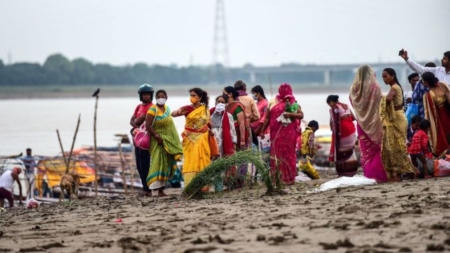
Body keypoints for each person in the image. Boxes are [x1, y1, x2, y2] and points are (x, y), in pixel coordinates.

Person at [349, 65, 388, 183]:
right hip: (375, 123)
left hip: (361, 123)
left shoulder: (354, 89)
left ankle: (369, 173)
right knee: (378, 148)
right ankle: (380, 174)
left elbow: (352, 102)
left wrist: (363, 112)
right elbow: (381, 102)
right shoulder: (375, 86)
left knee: (366, 150)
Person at [260, 83, 304, 185]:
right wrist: (263, 130)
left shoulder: (293, 103)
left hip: (289, 135)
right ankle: (278, 178)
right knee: (277, 155)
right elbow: (267, 118)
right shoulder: (272, 102)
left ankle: (288, 178)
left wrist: (290, 114)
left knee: (288, 155)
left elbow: (301, 115)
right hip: (277, 134)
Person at [380, 67, 417, 181]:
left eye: (385, 76)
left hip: (397, 118)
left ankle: (405, 171)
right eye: (382, 77)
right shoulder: (395, 87)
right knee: (395, 145)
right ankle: (402, 172)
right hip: (398, 116)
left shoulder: (394, 87)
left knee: (396, 146)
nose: (384, 79)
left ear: (392, 76)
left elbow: (389, 99)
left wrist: (380, 98)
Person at [145, 90, 183, 197]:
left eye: (162, 96)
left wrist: (173, 140)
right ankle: (154, 189)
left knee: (165, 164)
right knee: (157, 163)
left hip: (167, 142)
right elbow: (148, 125)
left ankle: (161, 190)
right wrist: (157, 136)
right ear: (155, 98)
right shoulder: (153, 109)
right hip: (157, 141)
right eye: (158, 96)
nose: (160, 98)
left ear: (166, 97)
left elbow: (170, 126)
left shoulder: (167, 109)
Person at [172, 88, 211, 188]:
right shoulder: (187, 108)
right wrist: (178, 112)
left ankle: (203, 185)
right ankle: (191, 186)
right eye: (190, 95)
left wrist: (211, 130)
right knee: (191, 161)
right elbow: (173, 114)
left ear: (200, 97)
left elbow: (208, 123)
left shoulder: (205, 109)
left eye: (193, 95)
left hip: (203, 138)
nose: (191, 97)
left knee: (203, 159)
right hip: (190, 139)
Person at [130, 84, 154, 196]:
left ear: (151, 95)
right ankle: (145, 187)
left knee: (145, 164)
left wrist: (136, 123)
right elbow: (132, 120)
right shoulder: (138, 107)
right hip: (137, 139)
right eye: (144, 94)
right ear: (140, 95)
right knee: (139, 164)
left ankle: (148, 189)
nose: (146, 96)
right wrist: (136, 124)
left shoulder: (151, 107)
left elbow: (138, 121)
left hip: (146, 139)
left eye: (148, 94)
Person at [327, 95, 358, 177]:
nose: (330, 106)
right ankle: (352, 170)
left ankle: (343, 172)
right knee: (350, 151)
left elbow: (333, 122)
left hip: (343, 133)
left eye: (329, 104)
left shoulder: (334, 108)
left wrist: (335, 130)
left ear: (330, 102)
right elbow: (354, 118)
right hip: (351, 131)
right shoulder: (346, 106)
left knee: (341, 151)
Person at [223, 86, 248, 187]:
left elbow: (242, 123)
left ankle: (240, 181)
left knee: (240, 158)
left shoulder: (237, 106)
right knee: (230, 158)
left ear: (230, 94)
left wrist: (242, 140)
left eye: (224, 92)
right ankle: (230, 180)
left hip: (237, 134)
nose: (223, 94)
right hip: (228, 135)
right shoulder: (226, 106)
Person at [421, 72, 450, 156]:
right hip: (444, 115)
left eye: (423, 81)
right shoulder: (442, 85)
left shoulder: (429, 94)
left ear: (426, 82)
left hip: (443, 116)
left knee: (446, 135)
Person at [234, 80, 260, 148]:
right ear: (244, 88)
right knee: (247, 149)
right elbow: (257, 116)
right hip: (246, 128)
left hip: (233, 129)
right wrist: (248, 119)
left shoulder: (232, 99)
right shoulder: (249, 99)